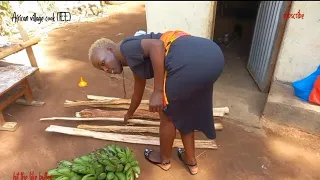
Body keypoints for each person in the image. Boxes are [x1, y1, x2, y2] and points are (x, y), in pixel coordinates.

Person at [88, 30, 225, 175]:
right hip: (213, 57)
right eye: (102, 68)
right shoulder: (134, 60)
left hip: (190, 61)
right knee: (185, 111)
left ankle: (164, 159)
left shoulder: (123, 48)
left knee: (167, 115)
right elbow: (138, 92)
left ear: (110, 50)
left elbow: (157, 46)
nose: (106, 69)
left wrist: (158, 91)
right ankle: (191, 161)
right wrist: (129, 113)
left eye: (103, 62)